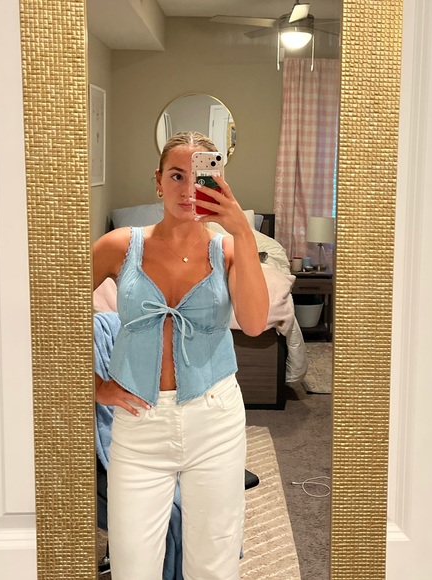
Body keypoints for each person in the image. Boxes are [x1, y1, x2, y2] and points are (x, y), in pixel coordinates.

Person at [92, 131, 269, 579]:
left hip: (215, 420)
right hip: (138, 424)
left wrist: (242, 231)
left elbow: (253, 323)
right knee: (132, 564)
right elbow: (51, 315)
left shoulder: (229, 250)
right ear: (158, 181)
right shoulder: (118, 246)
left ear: (219, 181)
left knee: (214, 563)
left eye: (201, 177)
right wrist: (94, 385)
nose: (188, 189)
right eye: (176, 176)